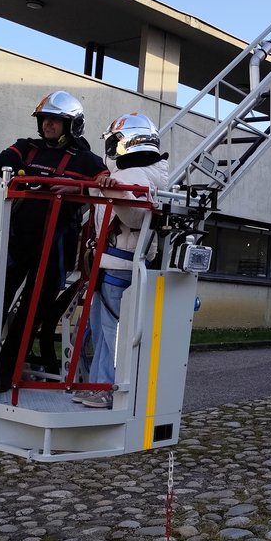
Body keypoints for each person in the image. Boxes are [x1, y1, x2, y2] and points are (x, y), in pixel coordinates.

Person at [0, 90, 108, 393]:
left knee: (32, 312)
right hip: (18, 240)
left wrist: (78, 188)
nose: (47, 125)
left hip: (56, 246)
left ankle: (5, 375)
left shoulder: (85, 160)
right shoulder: (26, 149)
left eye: (55, 121)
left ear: (72, 125)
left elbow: (105, 182)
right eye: (45, 120)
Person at [75, 112, 169, 409]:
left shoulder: (135, 176)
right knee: (104, 332)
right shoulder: (144, 172)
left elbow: (136, 216)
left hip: (119, 266)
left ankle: (106, 388)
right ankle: (97, 384)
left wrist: (111, 188)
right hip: (112, 265)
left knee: (112, 334)